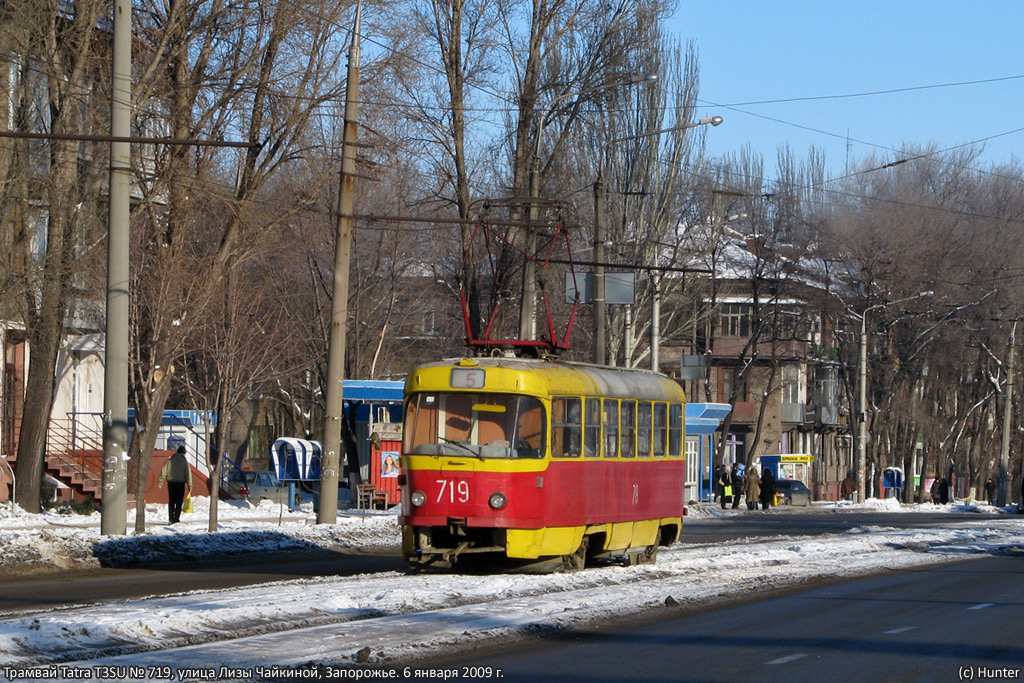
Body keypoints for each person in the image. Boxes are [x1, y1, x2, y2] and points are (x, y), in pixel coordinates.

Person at [158, 445, 193, 524]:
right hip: (180, 483)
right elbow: (188, 474)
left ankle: (171, 518)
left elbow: (164, 471)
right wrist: (190, 485)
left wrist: (160, 481)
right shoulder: (184, 462)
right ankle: (176, 518)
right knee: (179, 502)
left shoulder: (170, 460)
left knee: (171, 501)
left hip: (171, 483)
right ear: (184, 453)